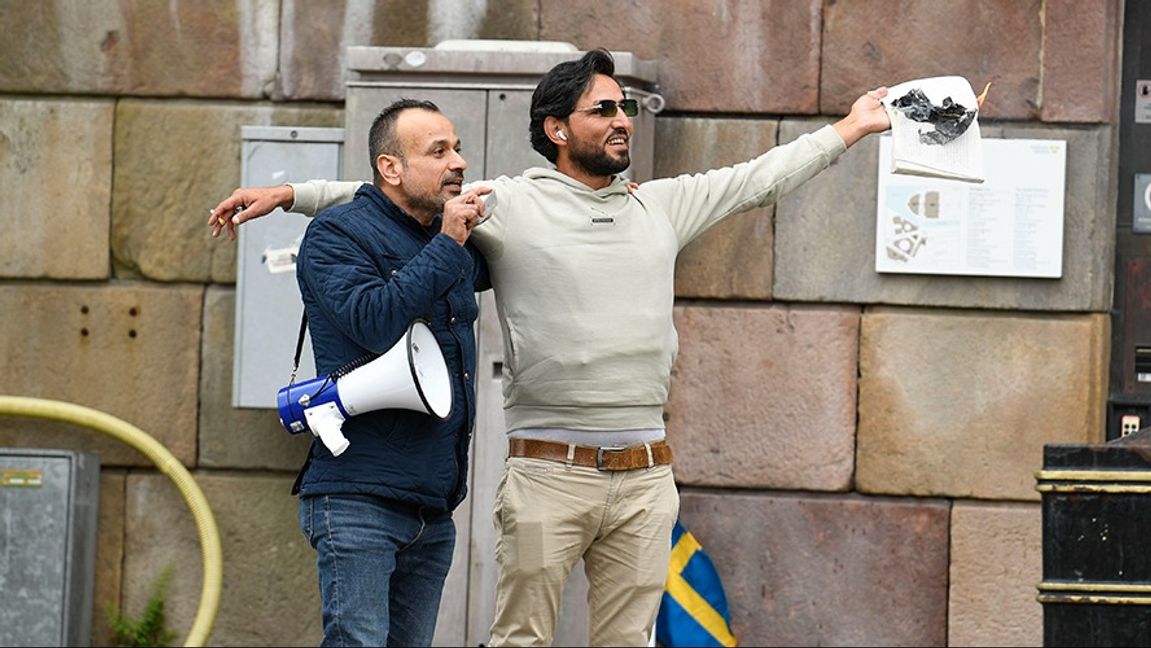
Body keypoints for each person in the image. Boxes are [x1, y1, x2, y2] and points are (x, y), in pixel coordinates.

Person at [211, 49, 890, 647]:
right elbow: (398, 199)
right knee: (519, 640)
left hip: (647, 473)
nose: (623, 118)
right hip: (545, 471)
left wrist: (851, 127)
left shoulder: (664, 206)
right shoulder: (509, 203)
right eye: (604, 108)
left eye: (625, 107)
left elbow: (760, 176)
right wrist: (292, 194)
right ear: (557, 129)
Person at [289, 97, 491, 647]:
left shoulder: (444, 238)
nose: (459, 163)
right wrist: (450, 241)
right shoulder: (338, 234)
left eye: (458, 148)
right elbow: (375, 321)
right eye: (439, 151)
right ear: (391, 168)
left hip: (431, 505)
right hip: (358, 498)